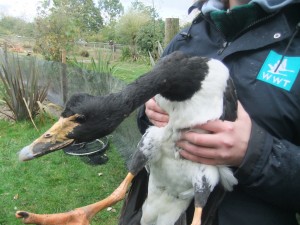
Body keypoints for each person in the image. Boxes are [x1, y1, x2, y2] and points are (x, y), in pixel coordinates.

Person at [119, 0, 300, 224]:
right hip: (158, 210)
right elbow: (147, 122)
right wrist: (148, 113)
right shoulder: (186, 38)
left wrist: (256, 154)